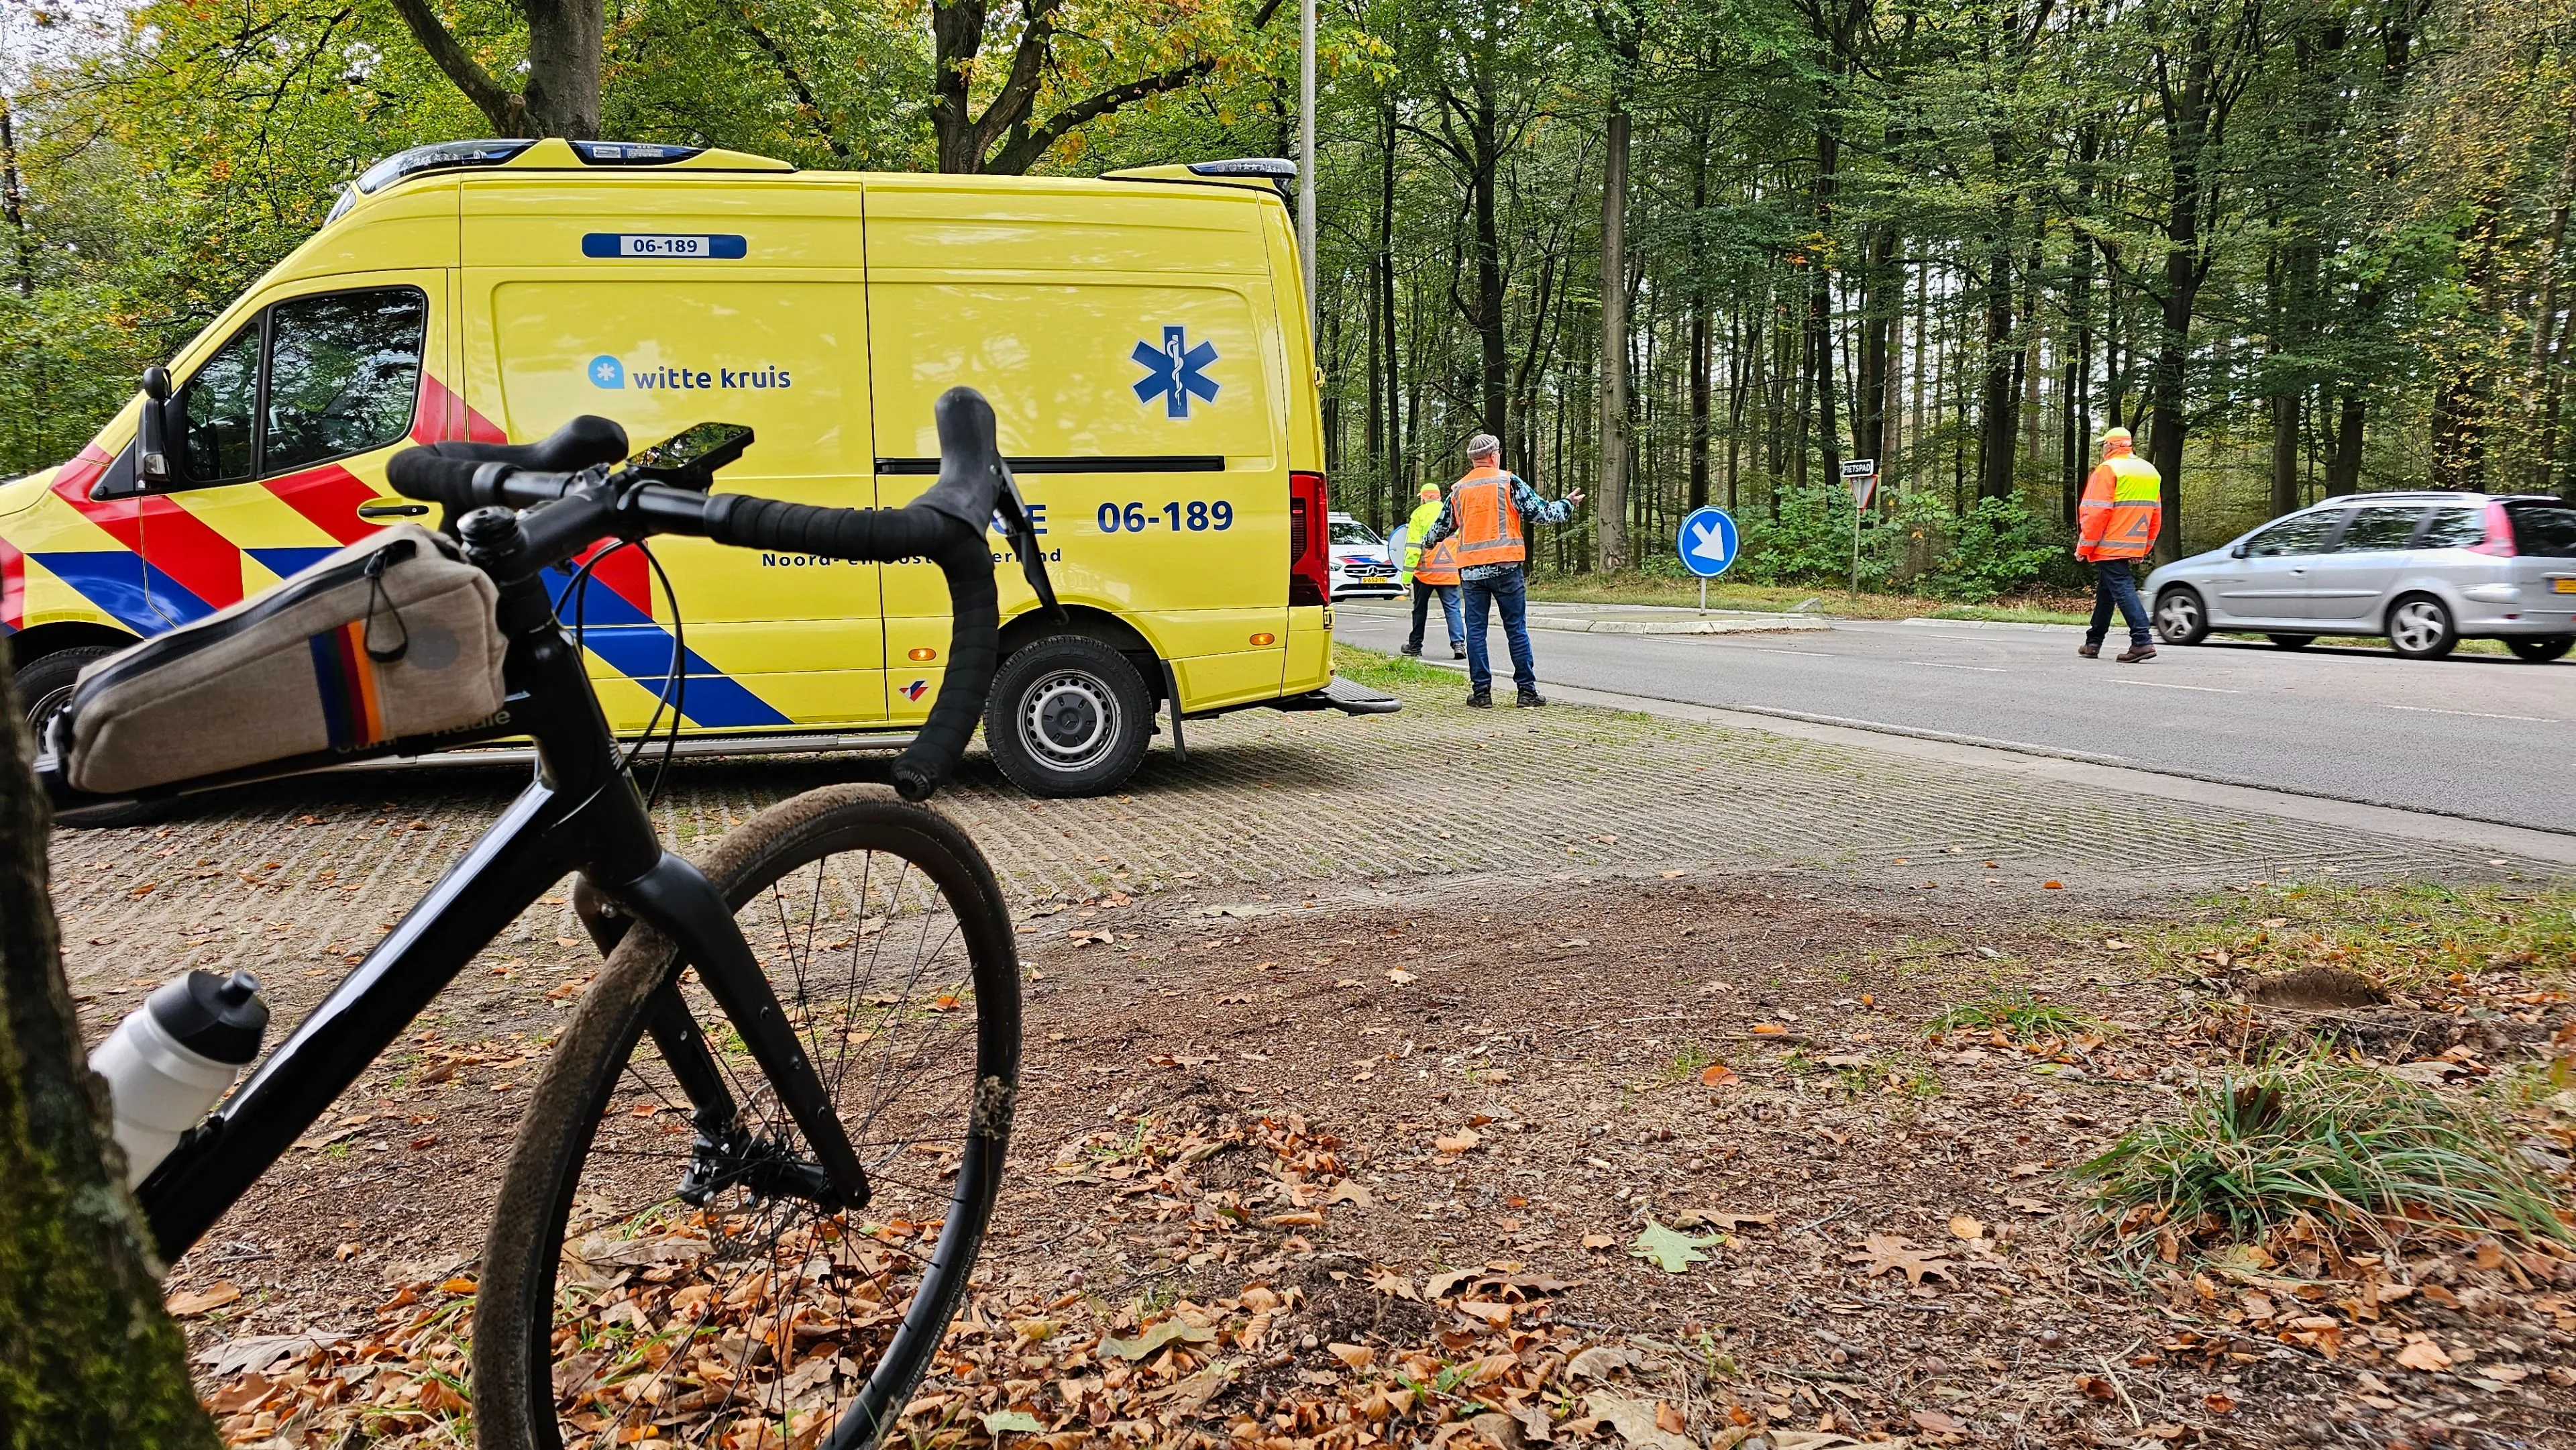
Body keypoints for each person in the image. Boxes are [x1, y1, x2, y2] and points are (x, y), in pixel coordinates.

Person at [1418, 433, 1583, 707]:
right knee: (1516, 629)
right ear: (1494, 455)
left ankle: (1481, 694)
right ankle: (1526, 693)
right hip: (1507, 569)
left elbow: (1440, 527)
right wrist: (1567, 504)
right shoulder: (1508, 481)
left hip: (1471, 574)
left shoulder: (1459, 490)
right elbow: (1541, 513)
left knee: (1476, 631)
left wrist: (1426, 542)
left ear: (1473, 460)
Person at [2076, 426, 2163, 663]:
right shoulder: (2149, 471)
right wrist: (2144, 548)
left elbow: (2095, 512)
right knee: (2106, 591)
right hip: (2133, 542)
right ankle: (2093, 642)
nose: (2103, 449)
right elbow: (2156, 514)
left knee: (2122, 588)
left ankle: (2142, 641)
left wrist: (2084, 547)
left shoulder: (2108, 470)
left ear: (2111, 446)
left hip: (2109, 543)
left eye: (2105, 445)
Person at [1399, 482, 1464, 659]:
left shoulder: (1419, 514)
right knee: (1453, 609)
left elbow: (1413, 548)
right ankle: (1459, 645)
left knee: (1420, 609)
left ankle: (1415, 646)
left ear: (1423, 497)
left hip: (1425, 573)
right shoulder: (1452, 511)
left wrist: (1406, 576)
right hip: (1449, 571)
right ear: (1438, 496)